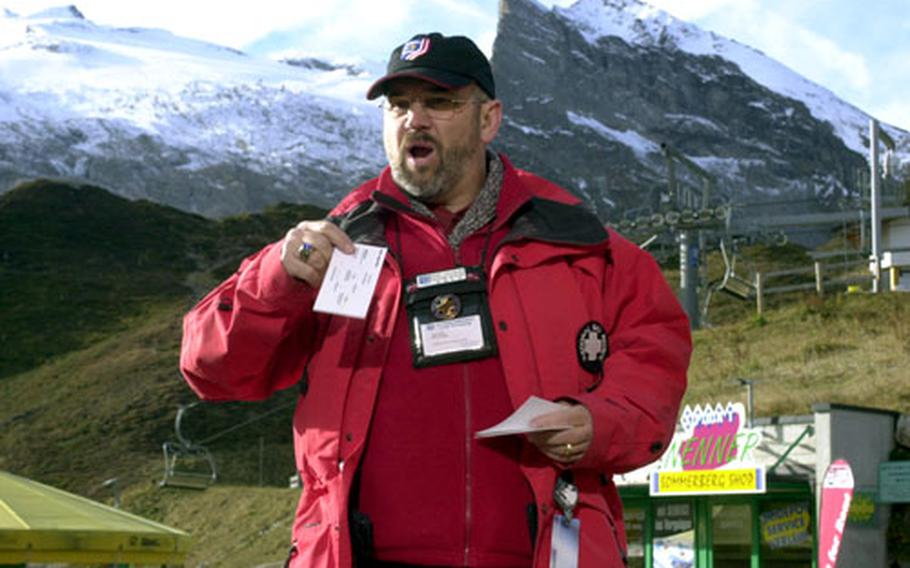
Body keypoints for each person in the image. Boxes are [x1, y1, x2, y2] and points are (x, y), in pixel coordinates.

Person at [180, 32, 691, 568]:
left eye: (440, 102)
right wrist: (276, 278)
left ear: (488, 119)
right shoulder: (337, 247)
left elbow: (656, 351)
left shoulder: (577, 242)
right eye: (398, 104)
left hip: (548, 553)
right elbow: (210, 367)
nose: (414, 119)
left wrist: (599, 422)